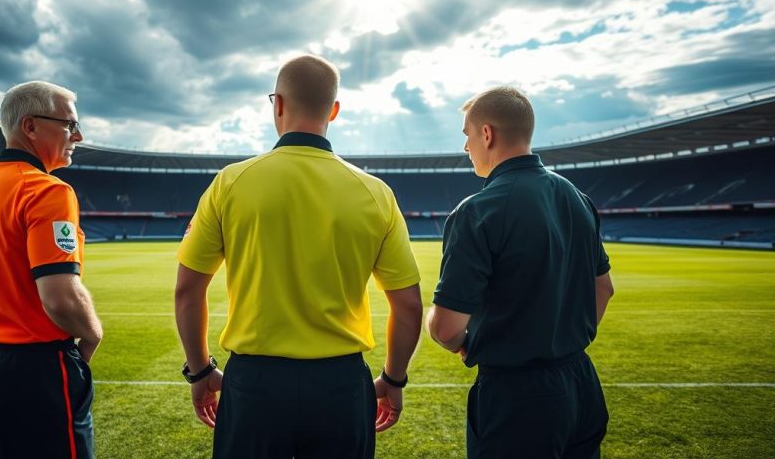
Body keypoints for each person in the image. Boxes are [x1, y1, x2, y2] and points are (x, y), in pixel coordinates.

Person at [175, 55, 423, 459]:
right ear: (334, 110)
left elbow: (187, 290)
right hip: (341, 384)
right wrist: (393, 381)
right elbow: (409, 306)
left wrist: (201, 371)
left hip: (254, 383)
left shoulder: (230, 182)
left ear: (277, 105)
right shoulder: (375, 193)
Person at [427, 87, 615, 459]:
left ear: (487, 134)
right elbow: (604, 288)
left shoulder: (477, 210)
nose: (466, 147)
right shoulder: (577, 197)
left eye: (467, 135)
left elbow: (446, 328)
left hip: (517, 396)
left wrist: (456, 339)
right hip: (582, 381)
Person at [0, 81, 102, 459]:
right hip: (35, 372)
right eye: (68, 124)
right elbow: (61, 296)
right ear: (30, 127)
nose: (77, 135)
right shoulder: (48, 191)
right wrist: (92, 333)